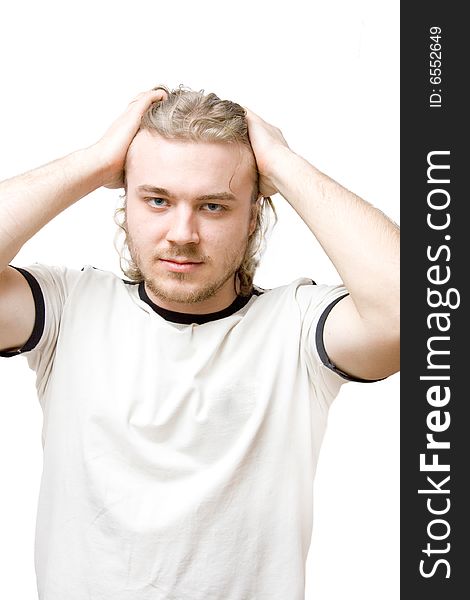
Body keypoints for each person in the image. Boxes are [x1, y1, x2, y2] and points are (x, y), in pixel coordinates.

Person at [0, 85, 399, 600]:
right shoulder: (67, 309)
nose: (182, 233)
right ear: (126, 203)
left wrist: (284, 165)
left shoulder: (297, 328)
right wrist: (94, 160)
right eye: (157, 200)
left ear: (253, 216)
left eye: (213, 206)